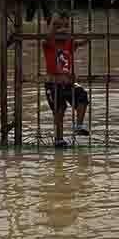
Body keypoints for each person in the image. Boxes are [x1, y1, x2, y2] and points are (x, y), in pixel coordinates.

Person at [43, 12, 89, 147]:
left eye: (66, 26)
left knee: (82, 96)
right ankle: (58, 140)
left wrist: (88, 37)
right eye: (58, 26)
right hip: (52, 84)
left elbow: (79, 44)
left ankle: (79, 125)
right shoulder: (49, 43)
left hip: (68, 83)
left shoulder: (69, 43)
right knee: (59, 110)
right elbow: (48, 37)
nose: (63, 29)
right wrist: (53, 24)